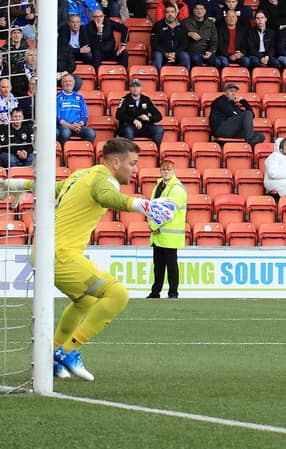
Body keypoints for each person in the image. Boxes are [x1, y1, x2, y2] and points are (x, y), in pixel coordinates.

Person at [0, 138, 177, 380]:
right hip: (61, 256)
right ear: (116, 162)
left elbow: (53, 187)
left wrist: (19, 183)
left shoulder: (82, 174)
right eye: (132, 163)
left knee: (84, 302)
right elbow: (108, 197)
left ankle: (52, 353)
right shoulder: (104, 181)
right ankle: (69, 351)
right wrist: (142, 205)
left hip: (44, 250)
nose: (136, 169)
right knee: (117, 295)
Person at [147, 160, 187, 300]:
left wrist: (154, 225)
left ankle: (173, 293)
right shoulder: (159, 186)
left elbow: (168, 212)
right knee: (158, 266)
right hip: (158, 233)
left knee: (171, 265)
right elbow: (152, 207)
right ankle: (155, 292)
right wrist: (152, 224)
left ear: (173, 171)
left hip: (169, 234)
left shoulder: (177, 189)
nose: (165, 172)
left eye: (168, 170)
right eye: (163, 170)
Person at [116, 79, 164, 147]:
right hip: (129, 126)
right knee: (128, 131)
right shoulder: (125, 99)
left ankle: (154, 150)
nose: (135, 88)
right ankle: (129, 153)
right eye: (133, 86)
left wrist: (148, 118)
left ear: (141, 88)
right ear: (129, 88)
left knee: (158, 130)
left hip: (144, 127)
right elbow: (119, 115)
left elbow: (158, 116)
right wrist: (133, 120)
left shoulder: (146, 99)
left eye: (137, 86)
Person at [56, 74, 96, 146]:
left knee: (91, 133)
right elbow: (58, 117)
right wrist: (70, 126)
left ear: (74, 83)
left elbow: (84, 115)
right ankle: (63, 153)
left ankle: (84, 151)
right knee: (65, 133)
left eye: (70, 81)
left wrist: (80, 124)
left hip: (78, 126)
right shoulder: (58, 97)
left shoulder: (79, 97)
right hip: (64, 126)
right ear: (62, 84)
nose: (68, 83)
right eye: (65, 81)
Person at [150, 3, 190, 72]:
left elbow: (184, 43)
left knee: (185, 56)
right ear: (164, 14)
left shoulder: (182, 25)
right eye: (167, 12)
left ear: (176, 13)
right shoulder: (158, 25)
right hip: (162, 52)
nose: (170, 14)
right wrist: (165, 53)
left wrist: (175, 53)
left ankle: (182, 79)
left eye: (172, 12)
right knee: (157, 57)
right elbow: (154, 43)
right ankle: (157, 80)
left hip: (177, 52)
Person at [183, 2, 218, 67]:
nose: (199, 11)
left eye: (201, 9)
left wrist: (211, 52)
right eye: (197, 9)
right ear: (193, 11)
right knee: (196, 58)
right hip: (191, 51)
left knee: (217, 62)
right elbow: (178, 36)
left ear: (205, 11)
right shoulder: (185, 22)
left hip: (206, 52)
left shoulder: (210, 24)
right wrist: (188, 34)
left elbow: (214, 41)